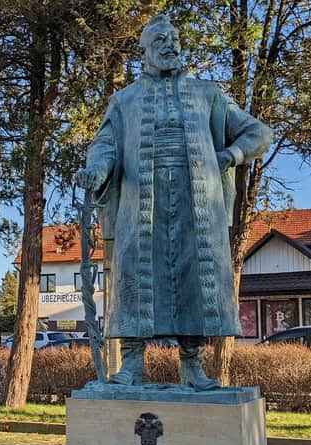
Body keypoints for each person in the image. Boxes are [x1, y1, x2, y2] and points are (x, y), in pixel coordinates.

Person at [78, 14, 272, 390]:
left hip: (196, 201)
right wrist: (97, 171)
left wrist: (230, 155)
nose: (170, 45)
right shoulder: (124, 101)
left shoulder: (208, 94)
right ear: (143, 51)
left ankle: (192, 367)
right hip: (140, 202)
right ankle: (132, 365)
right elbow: (104, 146)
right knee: (136, 276)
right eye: (160, 40)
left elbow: (258, 133)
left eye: (174, 39)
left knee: (194, 278)